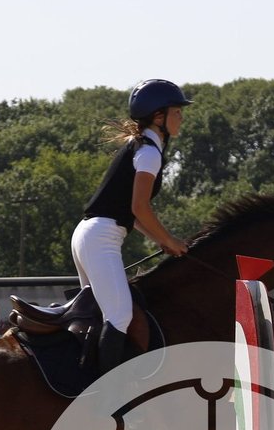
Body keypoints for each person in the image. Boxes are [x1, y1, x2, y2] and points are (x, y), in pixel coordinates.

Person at [71, 79, 191, 374]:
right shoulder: (149, 153)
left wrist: (159, 240)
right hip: (101, 237)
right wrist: (170, 240)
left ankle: (82, 379)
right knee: (120, 316)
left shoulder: (142, 146)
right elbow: (140, 208)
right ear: (159, 117)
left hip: (89, 234)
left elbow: (134, 215)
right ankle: (106, 392)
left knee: (99, 315)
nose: (181, 117)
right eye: (177, 112)